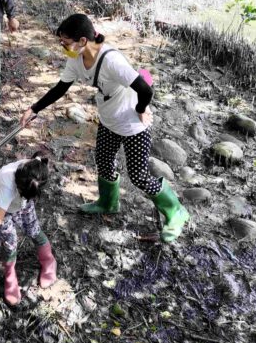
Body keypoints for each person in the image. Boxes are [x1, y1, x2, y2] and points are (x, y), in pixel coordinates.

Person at [20, 14, 190, 243]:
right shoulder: (76, 60)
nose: (63, 46)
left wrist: (141, 109)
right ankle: (108, 203)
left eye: (65, 42)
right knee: (104, 162)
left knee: (139, 176)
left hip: (132, 125)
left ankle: (175, 211)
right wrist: (34, 109)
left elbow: (145, 90)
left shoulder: (112, 61)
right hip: (109, 120)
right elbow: (61, 88)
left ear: (82, 41)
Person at [0, 152, 57, 306]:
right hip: (0, 206)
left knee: (33, 229)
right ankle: (10, 276)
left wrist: (25, 199)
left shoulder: (34, 171)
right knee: (10, 243)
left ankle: (49, 260)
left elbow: (39, 158)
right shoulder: (8, 184)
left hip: (21, 201)